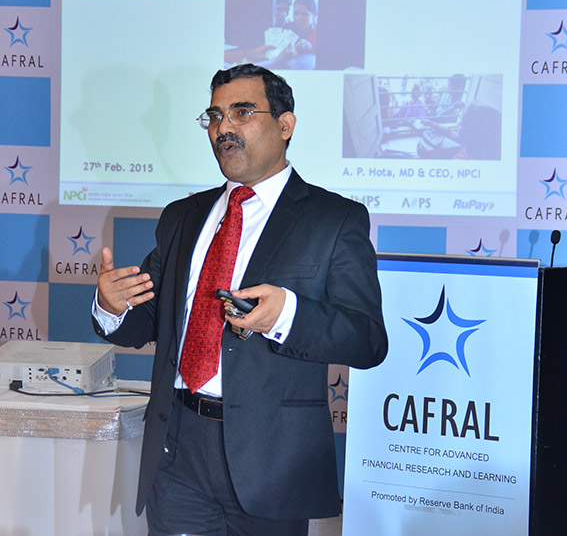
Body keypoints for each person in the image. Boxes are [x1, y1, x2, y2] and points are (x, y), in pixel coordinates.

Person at [93, 63, 387, 536]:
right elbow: (146, 322)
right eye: (214, 116)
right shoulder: (182, 216)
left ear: (285, 125)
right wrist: (113, 306)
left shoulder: (334, 220)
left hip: (273, 462)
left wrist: (287, 316)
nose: (223, 128)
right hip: (179, 452)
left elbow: (368, 340)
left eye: (242, 112)